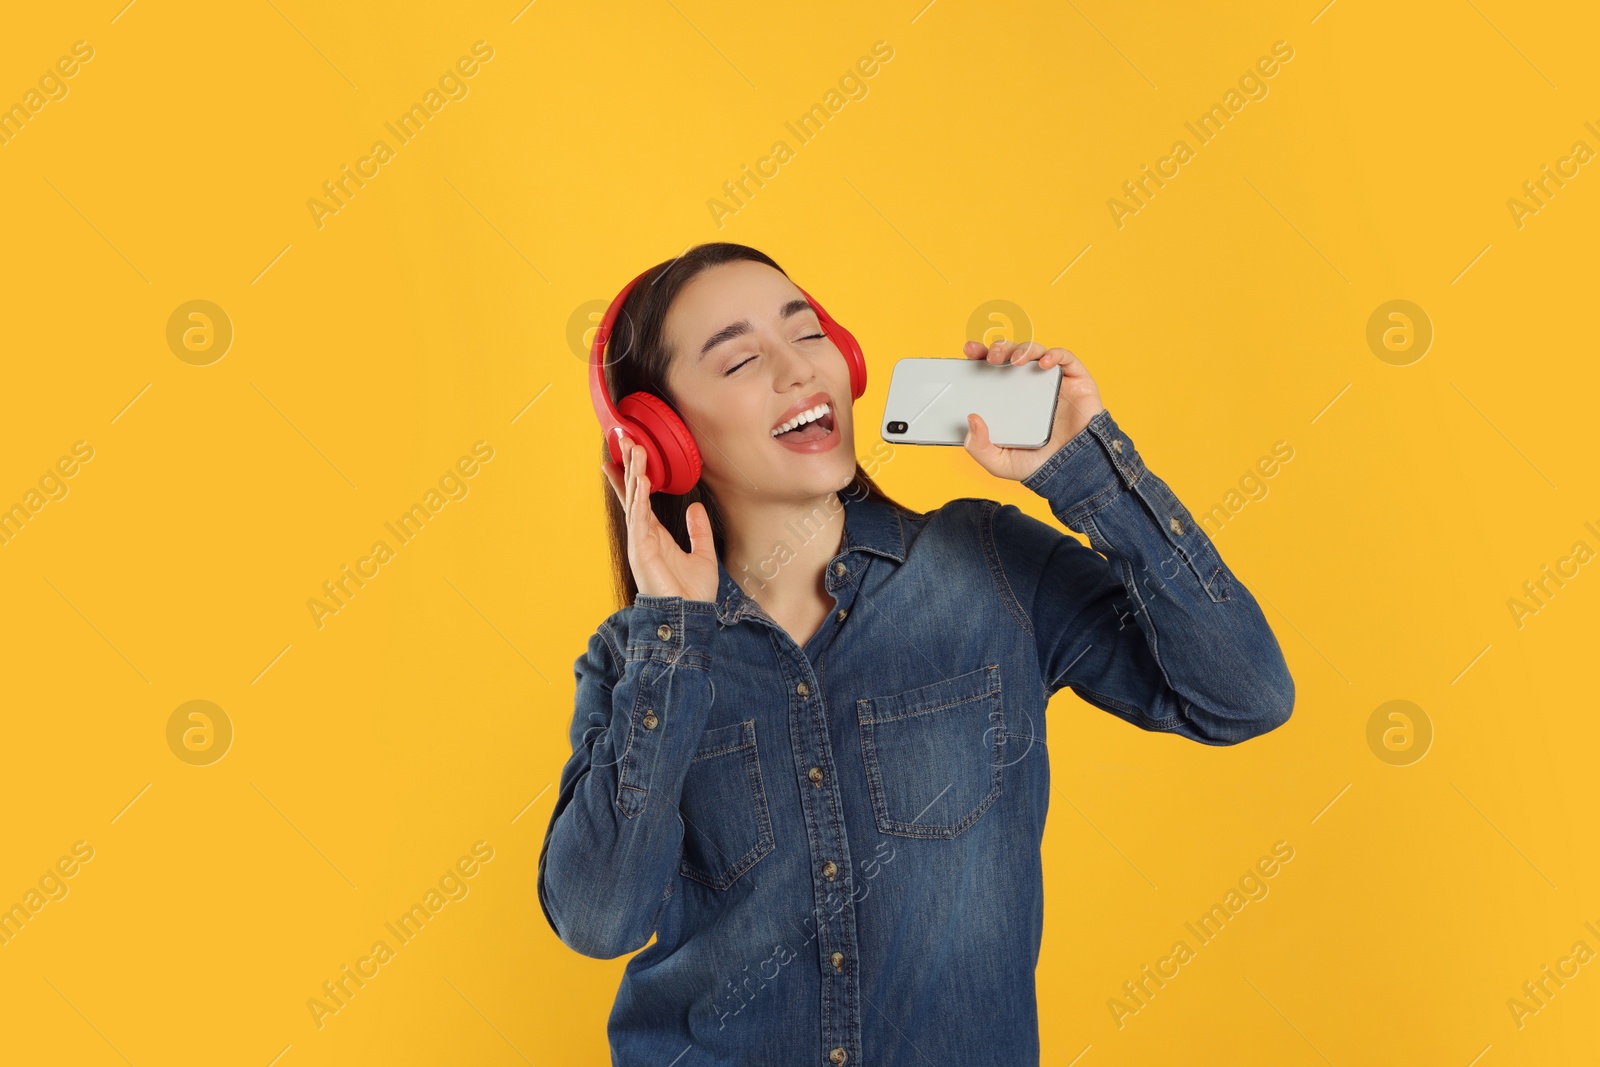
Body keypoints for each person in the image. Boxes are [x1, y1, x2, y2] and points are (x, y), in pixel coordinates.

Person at [537, 241, 1295, 1066]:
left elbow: (1243, 694)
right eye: (744, 359)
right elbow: (598, 918)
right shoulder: (636, 660)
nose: (800, 371)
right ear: (664, 436)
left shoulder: (988, 563)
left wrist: (1091, 477)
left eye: (810, 333)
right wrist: (673, 641)